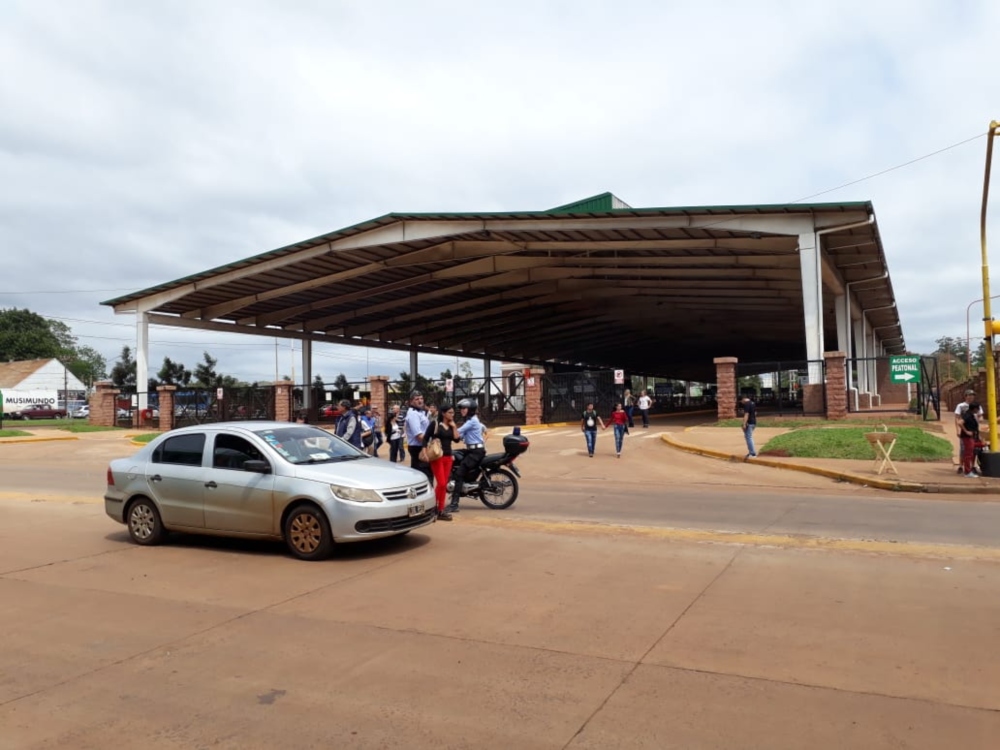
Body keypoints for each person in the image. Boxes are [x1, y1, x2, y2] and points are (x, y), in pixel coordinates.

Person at [449, 398, 488, 513]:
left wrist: (447, 432)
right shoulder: (471, 421)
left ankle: (454, 504)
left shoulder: (472, 422)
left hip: (475, 452)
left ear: (470, 409)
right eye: (461, 408)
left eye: (464, 408)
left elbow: (457, 432)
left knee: (459, 474)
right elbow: (461, 436)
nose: (462, 410)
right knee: (455, 454)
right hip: (473, 450)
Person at [425, 403, 460, 520]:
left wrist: (454, 426)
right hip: (437, 457)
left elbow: (457, 439)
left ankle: (439, 510)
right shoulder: (435, 424)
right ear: (443, 413)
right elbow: (425, 438)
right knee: (441, 483)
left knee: (443, 485)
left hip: (448, 457)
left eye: (453, 412)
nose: (452, 414)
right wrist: (424, 453)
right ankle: (435, 508)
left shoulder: (451, 426)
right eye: (450, 412)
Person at [954, 389, 982, 475]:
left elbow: (981, 417)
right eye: (969, 395)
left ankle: (972, 466)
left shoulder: (977, 406)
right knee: (963, 449)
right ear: (965, 396)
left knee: (974, 449)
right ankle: (961, 466)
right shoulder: (961, 406)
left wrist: (979, 420)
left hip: (974, 431)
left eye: (972, 395)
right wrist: (958, 430)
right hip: (965, 431)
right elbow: (957, 418)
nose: (971, 397)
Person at [960, 401, 981, 478]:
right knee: (968, 454)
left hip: (971, 437)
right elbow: (960, 423)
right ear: (975, 409)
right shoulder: (968, 415)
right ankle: (967, 472)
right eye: (978, 409)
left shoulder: (971, 415)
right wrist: (966, 431)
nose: (978, 410)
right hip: (967, 437)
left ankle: (969, 470)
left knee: (970, 454)